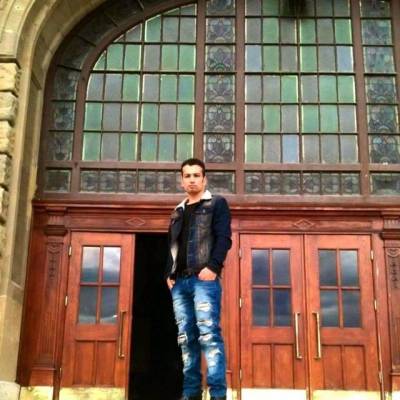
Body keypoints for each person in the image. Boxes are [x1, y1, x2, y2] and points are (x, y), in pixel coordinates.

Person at [166, 158, 232, 400]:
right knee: (186, 339)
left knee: (209, 336)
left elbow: (224, 238)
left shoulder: (217, 204)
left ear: (204, 179)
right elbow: (172, 245)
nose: (192, 179)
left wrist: (213, 267)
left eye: (196, 175)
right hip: (180, 283)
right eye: (187, 176)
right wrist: (169, 273)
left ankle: (218, 395)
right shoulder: (177, 211)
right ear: (182, 181)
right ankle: (191, 393)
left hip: (204, 280)